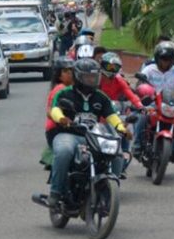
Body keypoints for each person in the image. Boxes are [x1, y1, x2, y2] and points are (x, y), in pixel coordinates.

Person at [47, 58, 130, 206]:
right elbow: (54, 109)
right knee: (64, 151)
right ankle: (56, 191)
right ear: (78, 77)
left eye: (94, 77)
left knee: (117, 153)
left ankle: (109, 191)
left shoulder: (101, 97)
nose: (91, 80)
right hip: (69, 135)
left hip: (95, 136)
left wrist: (122, 128)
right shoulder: (65, 93)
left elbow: (111, 116)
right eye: (88, 77)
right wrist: (61, 119)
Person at [132, 41, 174, 164]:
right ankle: (137, 146)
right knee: (142, 116)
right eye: (163, 59)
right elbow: (139, 84)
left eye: (169, 59)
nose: (166, 62)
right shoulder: (149, 69)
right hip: (153, 103)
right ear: (157, 58)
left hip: (172, 104)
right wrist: (141, 92)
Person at [99, 53, 143, 178]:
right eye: (109, 67)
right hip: (97, 112)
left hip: (114, 112)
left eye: (115, 67)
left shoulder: (119, 80)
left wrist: (140, 106)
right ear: (102, 66)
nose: (111, 71)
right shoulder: (96, 79)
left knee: (126, 130)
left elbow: (130, 94)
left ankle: (122, 162)